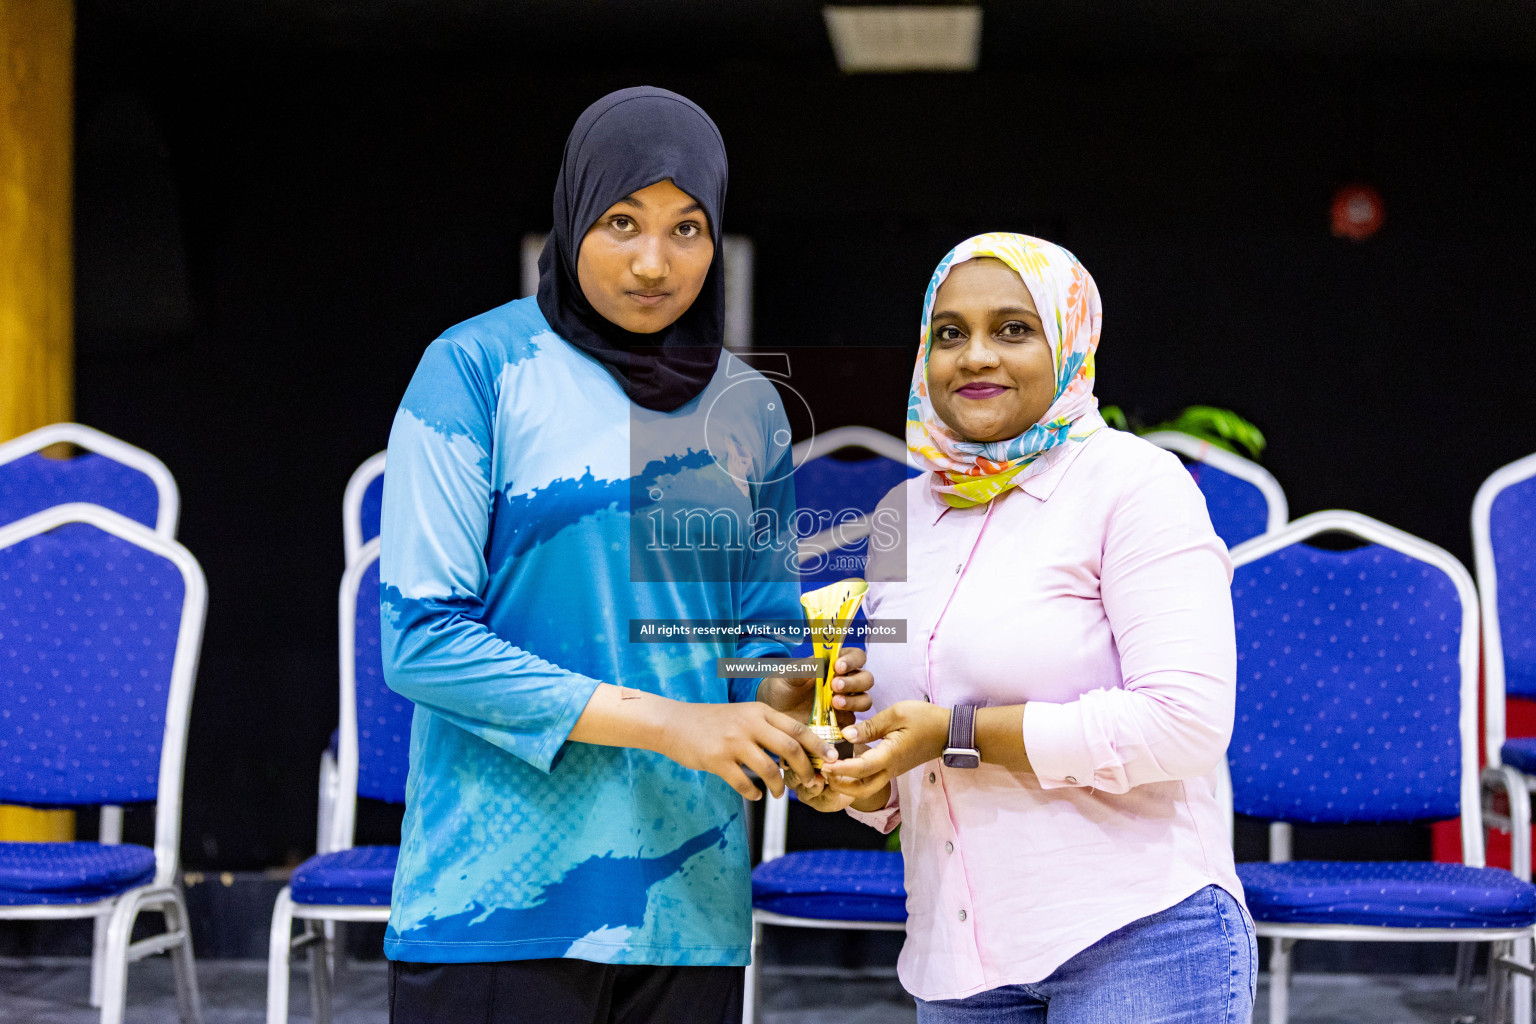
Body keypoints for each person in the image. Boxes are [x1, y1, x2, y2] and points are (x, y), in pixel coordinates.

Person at [377, 86, 871, 1024]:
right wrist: (674, 725)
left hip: (687, 905)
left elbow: (756, 640)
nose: (655, 262)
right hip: (500, 900)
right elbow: (422, 641)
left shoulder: (748, 406)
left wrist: (799, 720)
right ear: (570, 222)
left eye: (688, 229)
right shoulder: (476, 369)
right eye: (621, 221)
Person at [796, 233, 1256, 1022]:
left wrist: (956, 733)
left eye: (1013, 329)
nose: (974, 356)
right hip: (956, 960)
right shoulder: (900, 515)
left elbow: (1185, 726)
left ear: (1071, 341)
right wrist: (851, 775)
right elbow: (910, 765)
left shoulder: (1133, 485)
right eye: (949, 333)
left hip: (1139, 940)